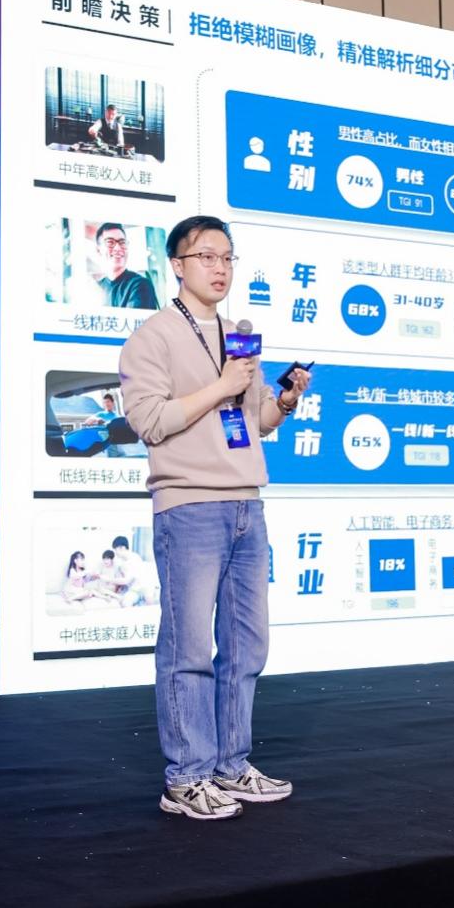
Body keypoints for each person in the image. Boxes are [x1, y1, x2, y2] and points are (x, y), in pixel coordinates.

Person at [120, 215, 312, 821]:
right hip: (189, 506)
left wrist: (284, 401)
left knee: (247, 647)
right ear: (177, 265)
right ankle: (186, 777)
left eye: (228, 257)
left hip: (246, 504)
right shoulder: (152, 336)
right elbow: (149, 421)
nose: (220, 268)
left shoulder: (239, 336)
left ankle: (231, 766)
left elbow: (252, 421)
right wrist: (222, 384)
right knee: (189, 650)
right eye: (207, 256)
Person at [94, 223, 159, 309]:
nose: (118, 248)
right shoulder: (96, 288)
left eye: (122, 242)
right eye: (110, 242)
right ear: (98, 250)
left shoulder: (140, 285)